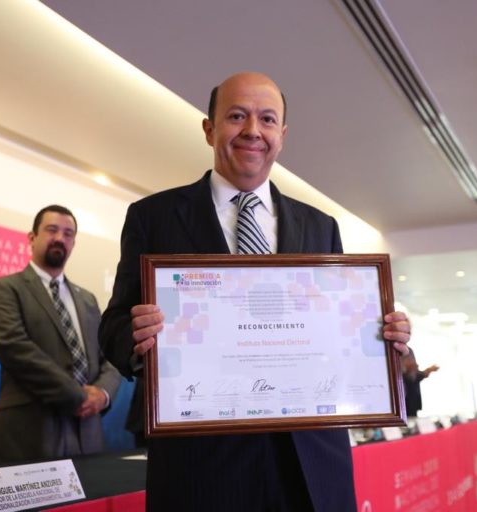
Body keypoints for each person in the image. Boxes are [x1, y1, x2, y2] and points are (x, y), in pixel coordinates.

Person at [99, 72, 411, 511]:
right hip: (202, 467)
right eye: (236, 116)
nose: (252, 131)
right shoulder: (154, 217)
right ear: (209, 129)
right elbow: (112, 327)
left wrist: (380, 340)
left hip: (311, 466)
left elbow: (338, 337)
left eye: (267, 119)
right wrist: (135, 334)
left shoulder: (322, 226)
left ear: (282, 135)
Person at [0, 205, 121, 464]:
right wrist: (78, 396)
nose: (60, 238)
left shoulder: (87, 299)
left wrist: (102, 394)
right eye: (52, 230)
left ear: (73, 243)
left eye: (68, 234)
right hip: (28, 435)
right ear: (32, 238)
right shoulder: (6, 288)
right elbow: (15, 348)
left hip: (87, 436)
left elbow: (109, 355)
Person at [400, 347, 438, 417]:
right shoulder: (402, 374)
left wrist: (429, 370)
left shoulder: (408, 349)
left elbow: (417, 376)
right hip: (405, 402)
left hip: (413, 401)